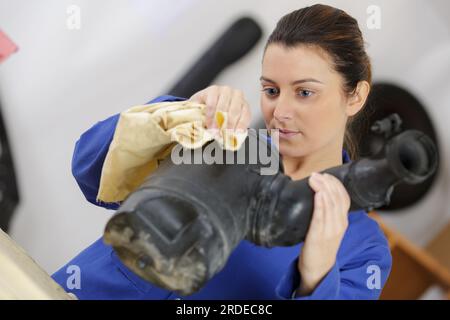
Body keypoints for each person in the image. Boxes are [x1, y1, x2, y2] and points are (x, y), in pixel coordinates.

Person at [52, 4, 392, 299]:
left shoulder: (362, 251)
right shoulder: (221, 141)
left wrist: (316, 279)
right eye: (271, 90)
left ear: (355, 97)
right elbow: (89, 170)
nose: (281, 111)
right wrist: (175, 115)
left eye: (304, 92)